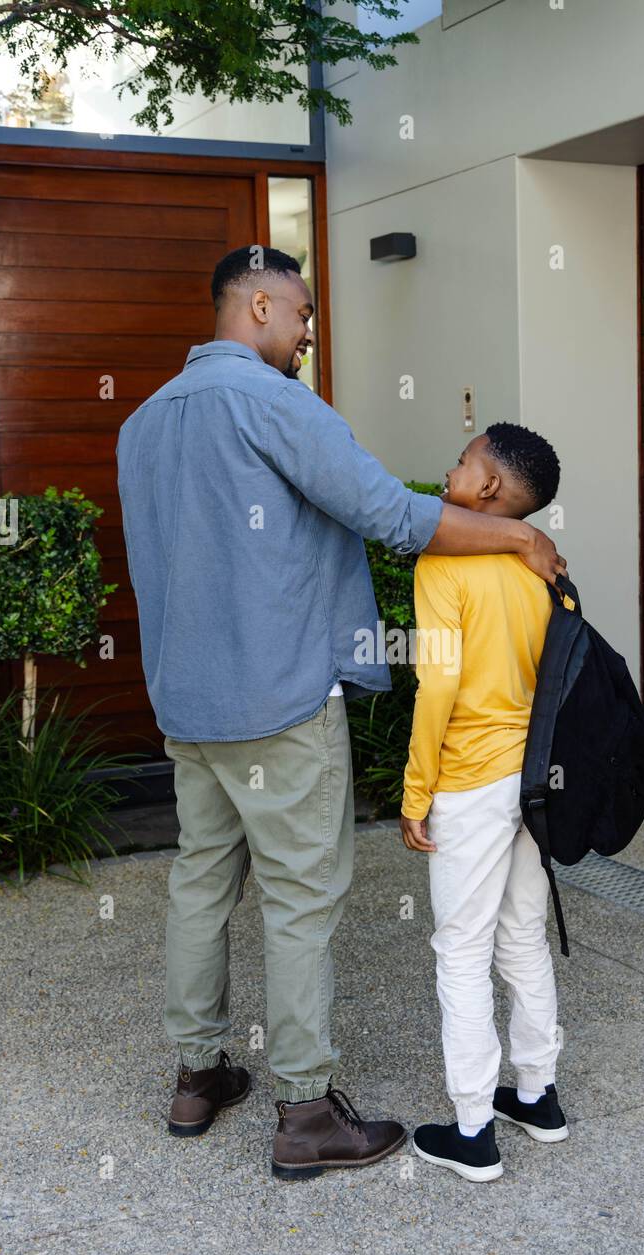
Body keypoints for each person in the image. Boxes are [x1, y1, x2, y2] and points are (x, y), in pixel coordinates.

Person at [116, 246, 566, 1182]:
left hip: (190, 706)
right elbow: (393, 518)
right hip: (280, 702)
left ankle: (198, 1077)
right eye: (305, 314)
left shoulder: (145, 424)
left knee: (202, 882)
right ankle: (306, 1110)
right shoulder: (279, 405)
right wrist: (519, 531)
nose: (311, 331)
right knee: (299, 899)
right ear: (263, 303)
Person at [400, 424, 568, 1183]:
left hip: (471, 778)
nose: (449, 466)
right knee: (522, 935)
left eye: (462, 459)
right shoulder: (543, 566)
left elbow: (436, 684)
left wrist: (414, 791)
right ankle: (535, 1094)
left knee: (460, 951)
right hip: (536, 780)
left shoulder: (443, 561)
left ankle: (472, 1130)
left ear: (489, 490)